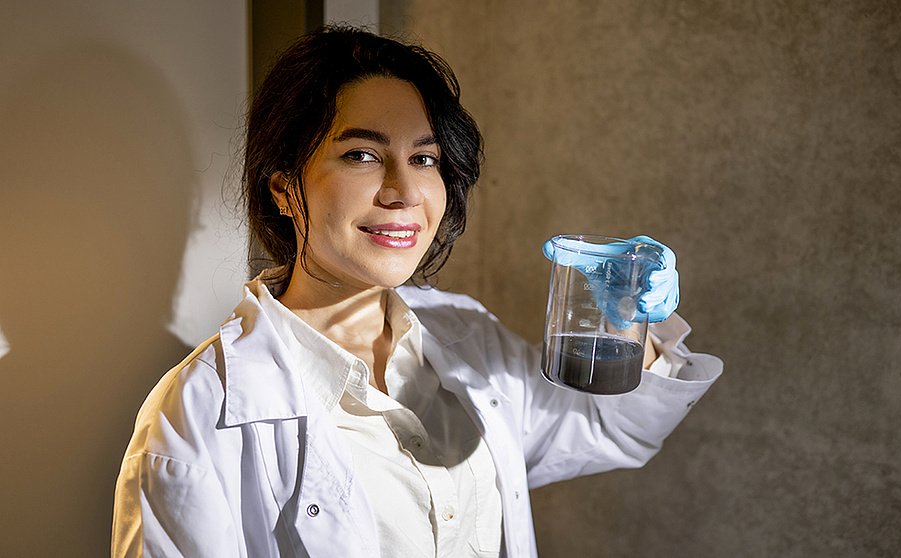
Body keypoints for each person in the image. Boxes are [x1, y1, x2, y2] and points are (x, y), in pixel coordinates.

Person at [112, 25, 722, 558]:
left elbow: (611, 429)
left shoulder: (466, 336)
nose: (405, 191)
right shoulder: (194, 417)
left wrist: (623, 323)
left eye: (425, 159)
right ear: (282, 187)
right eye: (361, 154)